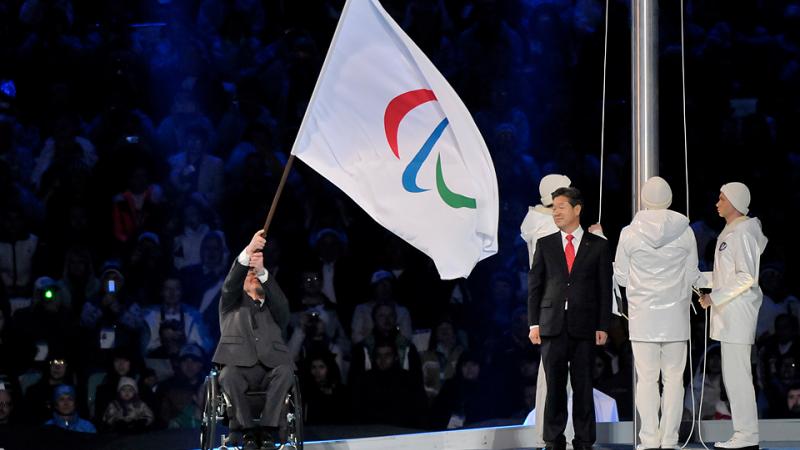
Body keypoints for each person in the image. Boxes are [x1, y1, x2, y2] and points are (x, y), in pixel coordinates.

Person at [613, 176, 702, 450]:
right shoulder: (685, 231)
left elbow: (621, 276)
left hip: (643, 316)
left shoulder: (629, 233)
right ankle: (670, 440)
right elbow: (692, 274)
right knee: (674, 380)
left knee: (647, 379)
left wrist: (642, 291)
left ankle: (649, 440)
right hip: (675, 314)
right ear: (670, 199)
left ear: (644, 199)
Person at [527, 187, 612, 450]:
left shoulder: (597, 245)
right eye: (554, 207)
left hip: (585, 325)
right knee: (554, 387)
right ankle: (553, 440)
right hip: (551, 324)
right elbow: (535, 287)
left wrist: (603, 325)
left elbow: (603, 288)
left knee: (583, 386)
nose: (556, 212)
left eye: (561, 206)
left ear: (577, 209)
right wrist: (533, 323)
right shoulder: (545, 244)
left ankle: (584, 440)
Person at [699, 182, 768, 450]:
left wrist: (713, 297)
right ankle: (743, 433)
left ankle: (747, 435)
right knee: (733, 376)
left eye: (722, 198)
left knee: (738, 376)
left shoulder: (743, 233)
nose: (717, 203)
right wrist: (699, 280)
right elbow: (727, 276)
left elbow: (746, 276)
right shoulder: (732, 231)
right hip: (729, 314)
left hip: (738, 313)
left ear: (735, 201)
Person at [212, 230, 294, 450]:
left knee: (286, 371)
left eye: (254, 273)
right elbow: (230, 284)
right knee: (228, 375)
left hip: (270, 367)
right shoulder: (231, 303)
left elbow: (284, 311)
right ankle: (247, 431)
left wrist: (263, 272)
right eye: (248, 273)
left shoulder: (272, 305)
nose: (252, 275)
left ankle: (267, 430)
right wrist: (248, 252)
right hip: (238, 365)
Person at [519, 173, 571, 447]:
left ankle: (552, 431)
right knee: (555, 373)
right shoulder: (546, 227)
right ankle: (551, 433)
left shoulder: (544, 222)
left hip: (558, 303)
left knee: (554, 372)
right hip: (557, 304)